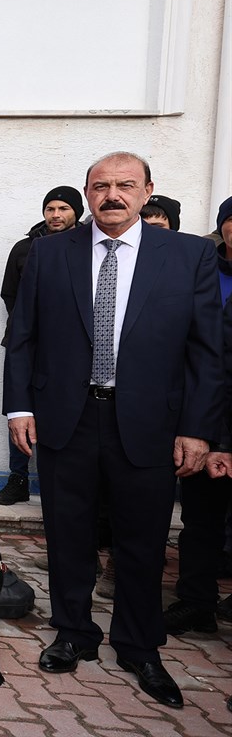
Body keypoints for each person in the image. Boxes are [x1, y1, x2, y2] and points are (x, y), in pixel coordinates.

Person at [4, 151, 221, 709]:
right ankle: (74, 632)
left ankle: (138, 644)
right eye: (101, 186)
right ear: (87, 192)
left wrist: (199, 430)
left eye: (126, 185)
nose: (112, 196)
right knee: (68, 534)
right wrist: (19, 409)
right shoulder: (50, 254)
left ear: (148, 190)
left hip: (150, 422)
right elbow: (22, 336)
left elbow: (206, 352)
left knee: (143, 541)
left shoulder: (189, 255)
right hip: (65, 420)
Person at [163, 194, 232, 636]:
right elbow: (210, 363)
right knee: (201, 521)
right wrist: (212, 436)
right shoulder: (198, 266)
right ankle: (197, 602)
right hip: (209, 423)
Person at [0, 186, 82, 505]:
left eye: (63, 209)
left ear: (77, 212)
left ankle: (58, 482)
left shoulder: (88, 247)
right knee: (20, 407)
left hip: (68, 349)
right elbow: (10, 295)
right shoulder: (23, 248)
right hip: (27, 344)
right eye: (50, 209)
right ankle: (18, 478)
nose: (56, 215)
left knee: (61, 409)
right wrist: (28, 331)